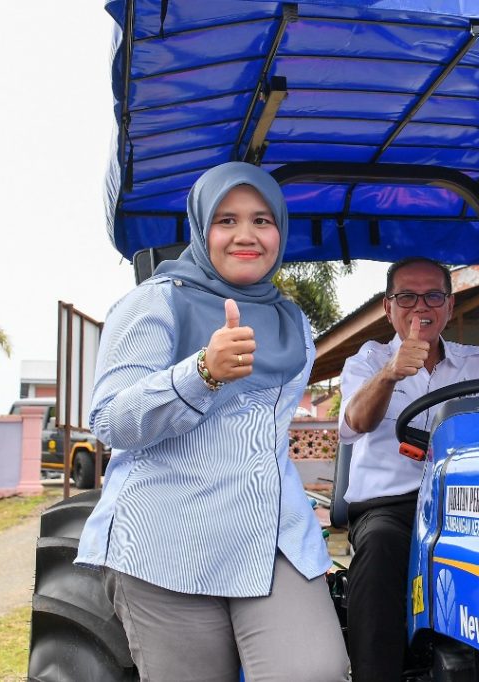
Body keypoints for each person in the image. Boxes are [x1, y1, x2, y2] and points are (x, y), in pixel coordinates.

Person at [74, 162, 349, 681]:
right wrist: (201, 373)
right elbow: (110, 419)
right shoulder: (154, 302)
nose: (246, 235)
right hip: (165, 540)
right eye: (226, 220)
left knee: (314, 670)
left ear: (280, 232)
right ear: (202, 229)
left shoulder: (292, 322)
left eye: (262, 220)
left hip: (270, 536)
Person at [338, 257, 479, 682]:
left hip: (466, 503)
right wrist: (390, 374)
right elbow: (355, 422)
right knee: (380, 546)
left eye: (434, 296)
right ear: (388, 307)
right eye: (407, 296)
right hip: (392, 507)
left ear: (450, 306)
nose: (421, 306)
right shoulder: (367, 361)